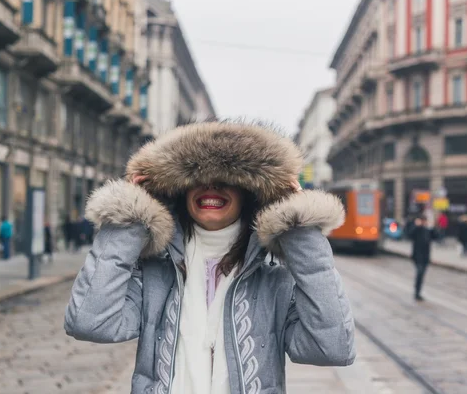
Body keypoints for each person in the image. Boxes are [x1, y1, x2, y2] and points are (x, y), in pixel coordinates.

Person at [64, 121, 356, 393]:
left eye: (225, 179)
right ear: (182, 190)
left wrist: (300, 228)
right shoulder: (154, 270)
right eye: (199, 177)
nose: (211, 187)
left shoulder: (275, 277)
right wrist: (129, 215)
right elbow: (90, 323)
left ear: (247, 192)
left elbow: (332, 347)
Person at [408, 215, 438, 301]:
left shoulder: (428, 230)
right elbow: (409, 235)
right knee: (420, 272)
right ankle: (417, 292)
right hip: (417, 256)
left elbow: (436, 236)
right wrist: (417, 226)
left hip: (426, 256)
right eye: (422, 221)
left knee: (421, 275)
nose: (424, 222)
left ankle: (418, 292)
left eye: (425, 221)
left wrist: (433, 227)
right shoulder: (416, 229)